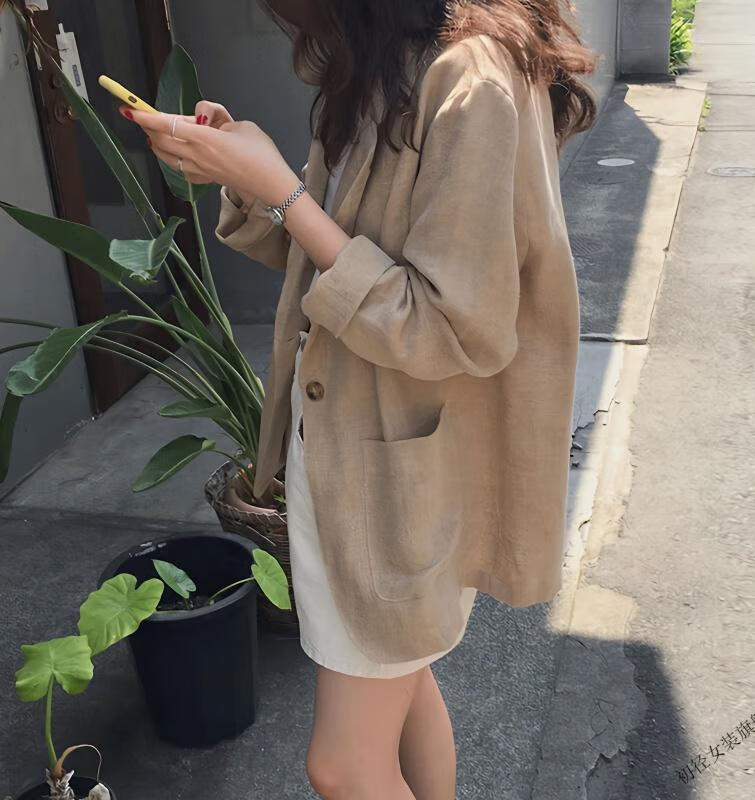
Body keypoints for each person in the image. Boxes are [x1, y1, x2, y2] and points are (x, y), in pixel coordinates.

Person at [122, 1, 596, 797]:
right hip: (348, 453)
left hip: (395, 478)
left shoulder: (470, 78)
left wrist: (280, 190)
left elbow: (453, 327)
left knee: (342, 767)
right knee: (408, 692)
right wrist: (244, 174)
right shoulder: (392, 60)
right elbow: (333, 251)